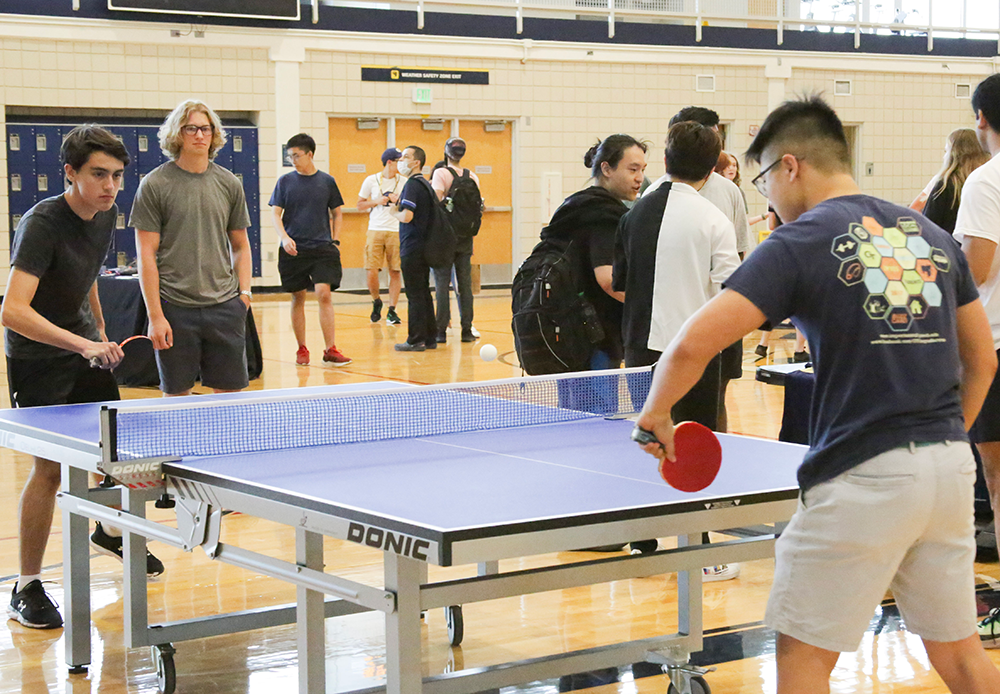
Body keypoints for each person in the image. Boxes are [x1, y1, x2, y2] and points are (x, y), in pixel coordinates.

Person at [635, 95, 1000, 693]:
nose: (768, 198)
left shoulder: (800, 242)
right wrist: (946, 438)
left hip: (861, 476)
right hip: (948, 472)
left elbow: (689, 346)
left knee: (804, 663)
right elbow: (981, 361)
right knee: (960, 658)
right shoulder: (931, 235)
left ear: (790, 166)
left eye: (763, 180)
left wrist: (655, 415)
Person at [1, 125, 164, 630]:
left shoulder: (105, 214)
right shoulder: (43, 224)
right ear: (70, 173)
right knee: (49, 472)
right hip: (38, 359)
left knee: (112, 457)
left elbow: (89, 276)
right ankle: (26, 585)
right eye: (98, 174)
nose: (110, 185)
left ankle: (109, 532)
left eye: (116, 175)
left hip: (83, 349)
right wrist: (82, 342)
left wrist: (99, 332)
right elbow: (12, 311)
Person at [614, 122, 739, 563]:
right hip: (696, 353)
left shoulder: (634, 215)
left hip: (640, 348)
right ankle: (700, 550)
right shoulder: (714, 220)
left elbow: (621, 282)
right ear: (712, 170)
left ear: (665, 161)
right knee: (693, 448)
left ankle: (644, 540)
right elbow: (730, 290)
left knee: (648, 441)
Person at [131, 99, 254, 395]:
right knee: (176, 398)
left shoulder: (229, 184)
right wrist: (156, 316)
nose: (199, 135)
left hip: (225, 307)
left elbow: (241, 245)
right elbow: (145, 253)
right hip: (175, 308)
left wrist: (245, 295)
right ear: (178, 134)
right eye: (191, 129)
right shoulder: (154, 184)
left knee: (231, 400)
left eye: (205, 129)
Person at [668, 107, 750, 434]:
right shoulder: (655, 194)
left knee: (716, 399)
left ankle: (718, 462)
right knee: (669, 402)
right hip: (672, 320)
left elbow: (739, 255)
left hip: (720, 317)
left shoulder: (729, 192)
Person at [953, 74, 1000, 646]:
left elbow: (978, 267)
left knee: (997, 474)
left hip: (994, 344)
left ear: (982, 121)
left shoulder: (986, 182)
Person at [540, 134, 647, 371]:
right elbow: (608, 280)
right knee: (597, 408)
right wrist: (650, 306)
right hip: (596, 338)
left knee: (572, 408)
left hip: (567, 331)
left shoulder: (574, 206)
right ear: (607, 169)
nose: (640, 178)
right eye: (633, 169)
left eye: (642, 169)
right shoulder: (603, 216)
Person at [270, 133, 351, 366]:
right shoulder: (285, 182)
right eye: (290, 156)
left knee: (324, 293)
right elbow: (276, 213)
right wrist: (284, 238)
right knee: (298, 297)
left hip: (323, 248)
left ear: (310, 154)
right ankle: (302, 348)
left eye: (296, 155)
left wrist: (335, 240)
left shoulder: (327, 181)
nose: (293, 160)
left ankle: (330, 349)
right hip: (294, 249)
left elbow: (337, 212)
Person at [431, 137, 482, 343]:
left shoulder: (441, 173)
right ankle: (467, 330)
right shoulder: (473, 177)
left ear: (446, 152)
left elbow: (435, 202)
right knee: (465, 285)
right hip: (466, 237)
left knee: (442, 285)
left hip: (445, 237)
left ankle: (441, 331)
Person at [392, 145, 439, 352]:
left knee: (415, 294)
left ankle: (415, 339)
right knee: (424, 292)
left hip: (412, 246)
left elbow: (408, 215)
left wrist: (395, 212)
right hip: (425, 245)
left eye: (406, 157)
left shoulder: (412, 184)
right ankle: (430, 337)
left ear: (416, 162)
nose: (402, 160)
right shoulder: (425, 184)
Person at [358, 147, 405, 326]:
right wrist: (377, 201)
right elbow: (359, 205)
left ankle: (392, 309)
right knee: (371, 269)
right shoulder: (371, 180)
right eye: (398, 161)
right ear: (389, 162)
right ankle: (376, 300)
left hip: (396, 229)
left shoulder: (404, 181)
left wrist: (397, 201)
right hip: (375, 228)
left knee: (395, 270)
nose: (401, 164)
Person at [923, 128, 989, 234]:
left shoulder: (945, 186)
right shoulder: (987, 184)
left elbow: (927, 227)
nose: (944, 157)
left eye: (946, 151)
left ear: (954, 155)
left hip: (948, 248)